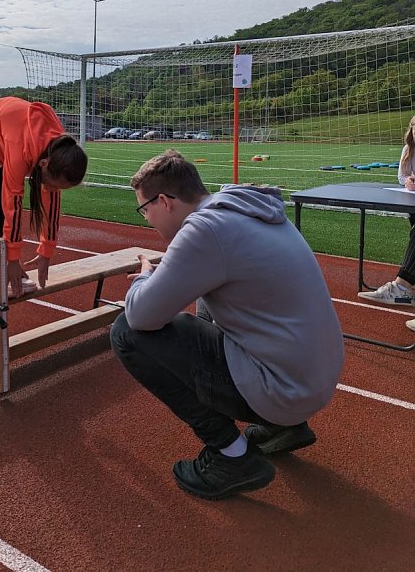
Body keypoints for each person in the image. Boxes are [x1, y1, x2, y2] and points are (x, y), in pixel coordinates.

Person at [110, 150, 344, 501]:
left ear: (164, 201)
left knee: (125, 332)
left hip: (284, 390)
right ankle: (285, 427)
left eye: (145, 210)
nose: (147, 220)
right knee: (208, 304)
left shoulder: (204, 231)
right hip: (314, 380)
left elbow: (141, 316)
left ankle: (230, 455)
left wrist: (142, 278)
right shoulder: (246, 209)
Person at [0, 96, 88, 297]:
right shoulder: (19, 148)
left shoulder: (58, 148)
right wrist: (14, 259)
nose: (49, 189)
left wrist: (46, 251)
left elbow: (52, 202)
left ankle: (3, 263)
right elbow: (13, 203)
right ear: (44, 165)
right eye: (51, 184)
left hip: (4, 136)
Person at [359, 115, 415, 307]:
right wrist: (408, 181)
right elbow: (401, 177)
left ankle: (401, 287)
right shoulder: (408, 150)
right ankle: (405, 286)